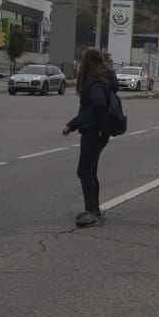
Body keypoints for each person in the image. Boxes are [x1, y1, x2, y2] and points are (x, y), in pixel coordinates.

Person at [63, 48, 116, 227]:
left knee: (84, 171)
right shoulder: (99, 80)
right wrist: (73, 124)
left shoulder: (92, 82)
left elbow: (98, 104)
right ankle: (95, 210)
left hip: (93, 132)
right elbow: (89, 110)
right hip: (95, 130)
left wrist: (101, 127)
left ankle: (92, 212)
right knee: (90, 171)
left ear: (85, 63)